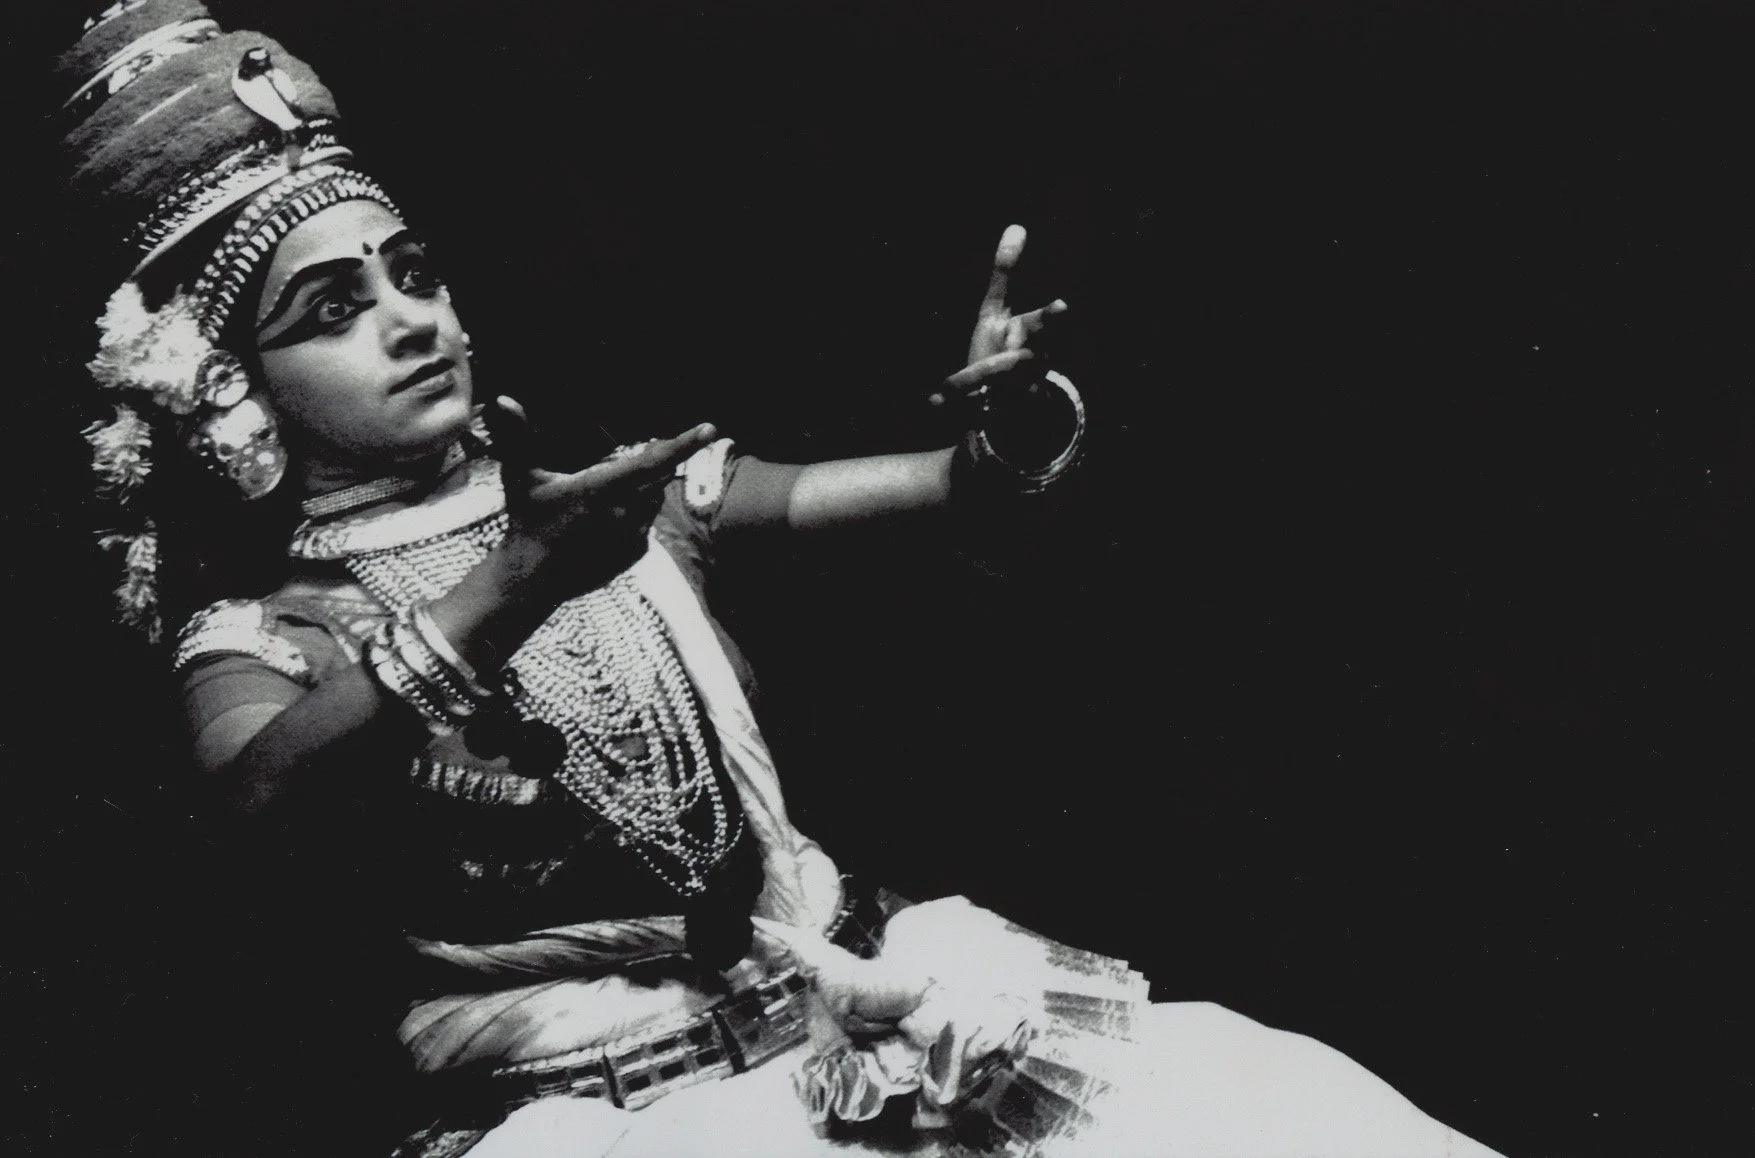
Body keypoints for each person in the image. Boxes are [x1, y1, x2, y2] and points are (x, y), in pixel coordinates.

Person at [56, 4, 1505, 1156]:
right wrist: (512, 581)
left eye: (414, 272)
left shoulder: (621, 502)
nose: (409, 320)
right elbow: (253, 806)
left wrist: (999, 436)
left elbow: (941, 494)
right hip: (602, 1120)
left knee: (1274, 1111)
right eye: (333, 309)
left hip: (848, 1027)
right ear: (228, 390)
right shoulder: (268, 637)